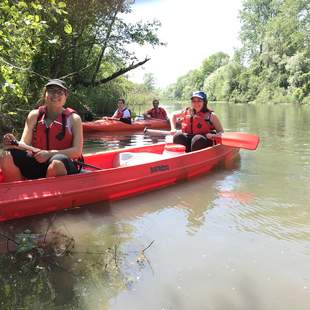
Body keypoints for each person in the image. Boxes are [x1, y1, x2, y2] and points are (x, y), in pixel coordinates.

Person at [0, 79, 83, 182]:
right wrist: (14, 143)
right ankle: (16, 191)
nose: (55, 95)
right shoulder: (34, 115)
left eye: (60, 92)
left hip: (63, 165)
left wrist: (48, 154)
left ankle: (53, 192)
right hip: (38, 164)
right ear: (45, 94)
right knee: (6, 154)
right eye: (51, 91)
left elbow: (77, 152)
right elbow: (24, 144)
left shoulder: (74, 119)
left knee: (57, 162)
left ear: (65, 97)